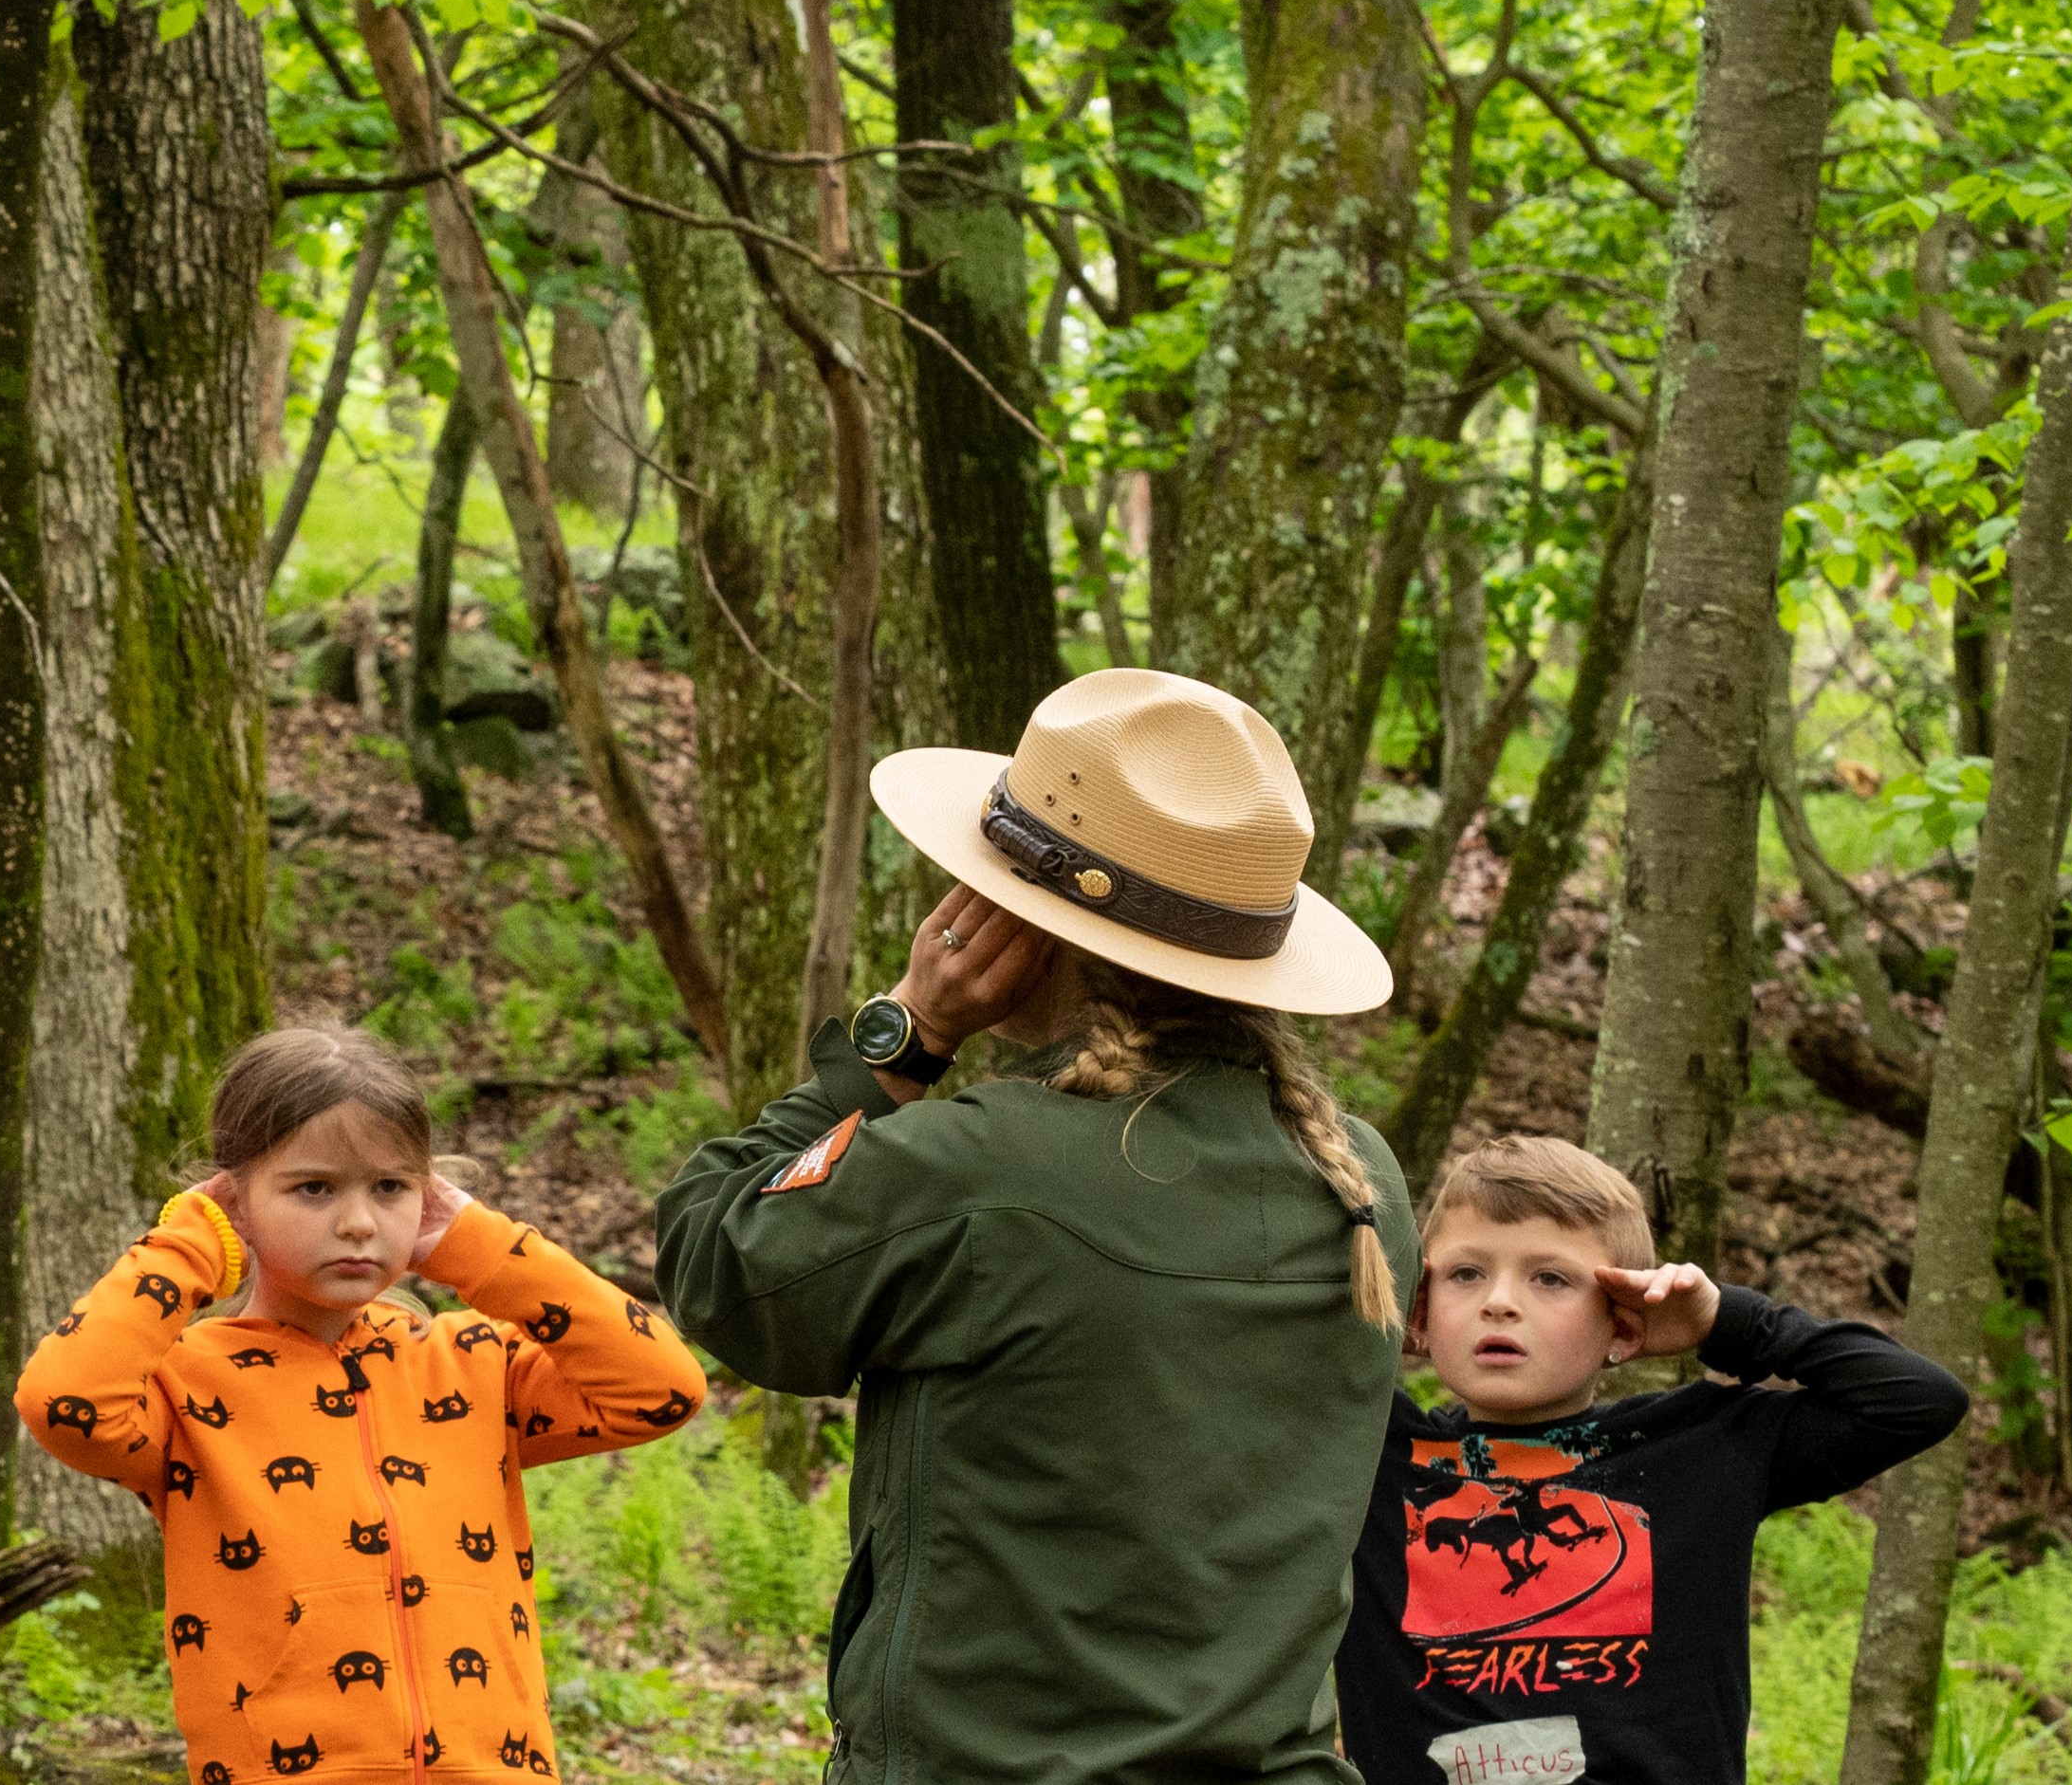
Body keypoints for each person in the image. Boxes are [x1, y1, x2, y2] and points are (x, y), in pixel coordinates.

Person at [654, 667, 1421, 1783]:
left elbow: (715, 1254)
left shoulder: (981, 1164)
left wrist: (907, 1032)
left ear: (1019, 922)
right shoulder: (1360, 1178)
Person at [15, 1024, 703, 1784]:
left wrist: (478, 1245)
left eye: (390, 1187)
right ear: (234, 1199)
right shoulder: (186, 1387)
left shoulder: (474, 1366)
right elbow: (61, 1400)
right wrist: (190, 1244)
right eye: (314, 1187)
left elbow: (662, 1387)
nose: (358, 1223)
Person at [1334, 1135, 1964, 1785]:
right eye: (1466, 1274)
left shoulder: (1700, 1447)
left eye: (1550, 1277)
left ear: (1625, 1324)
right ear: (1421, 1310)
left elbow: (1918, 1400)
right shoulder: (1368, 1452)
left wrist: (1728, 1322)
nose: (1500, 1300)